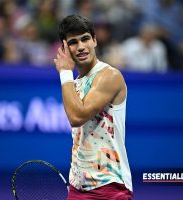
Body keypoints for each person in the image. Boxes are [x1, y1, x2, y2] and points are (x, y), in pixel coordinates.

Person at [53, 14, 133, 200]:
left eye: (85, 39)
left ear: (95, 40)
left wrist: (65, 72)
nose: (81, 46)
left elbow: (76, 117)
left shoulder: (109, 76)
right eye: (73, 42)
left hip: (110, 186)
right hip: (78, 185)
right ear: (64, 47)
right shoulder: (75, 83)